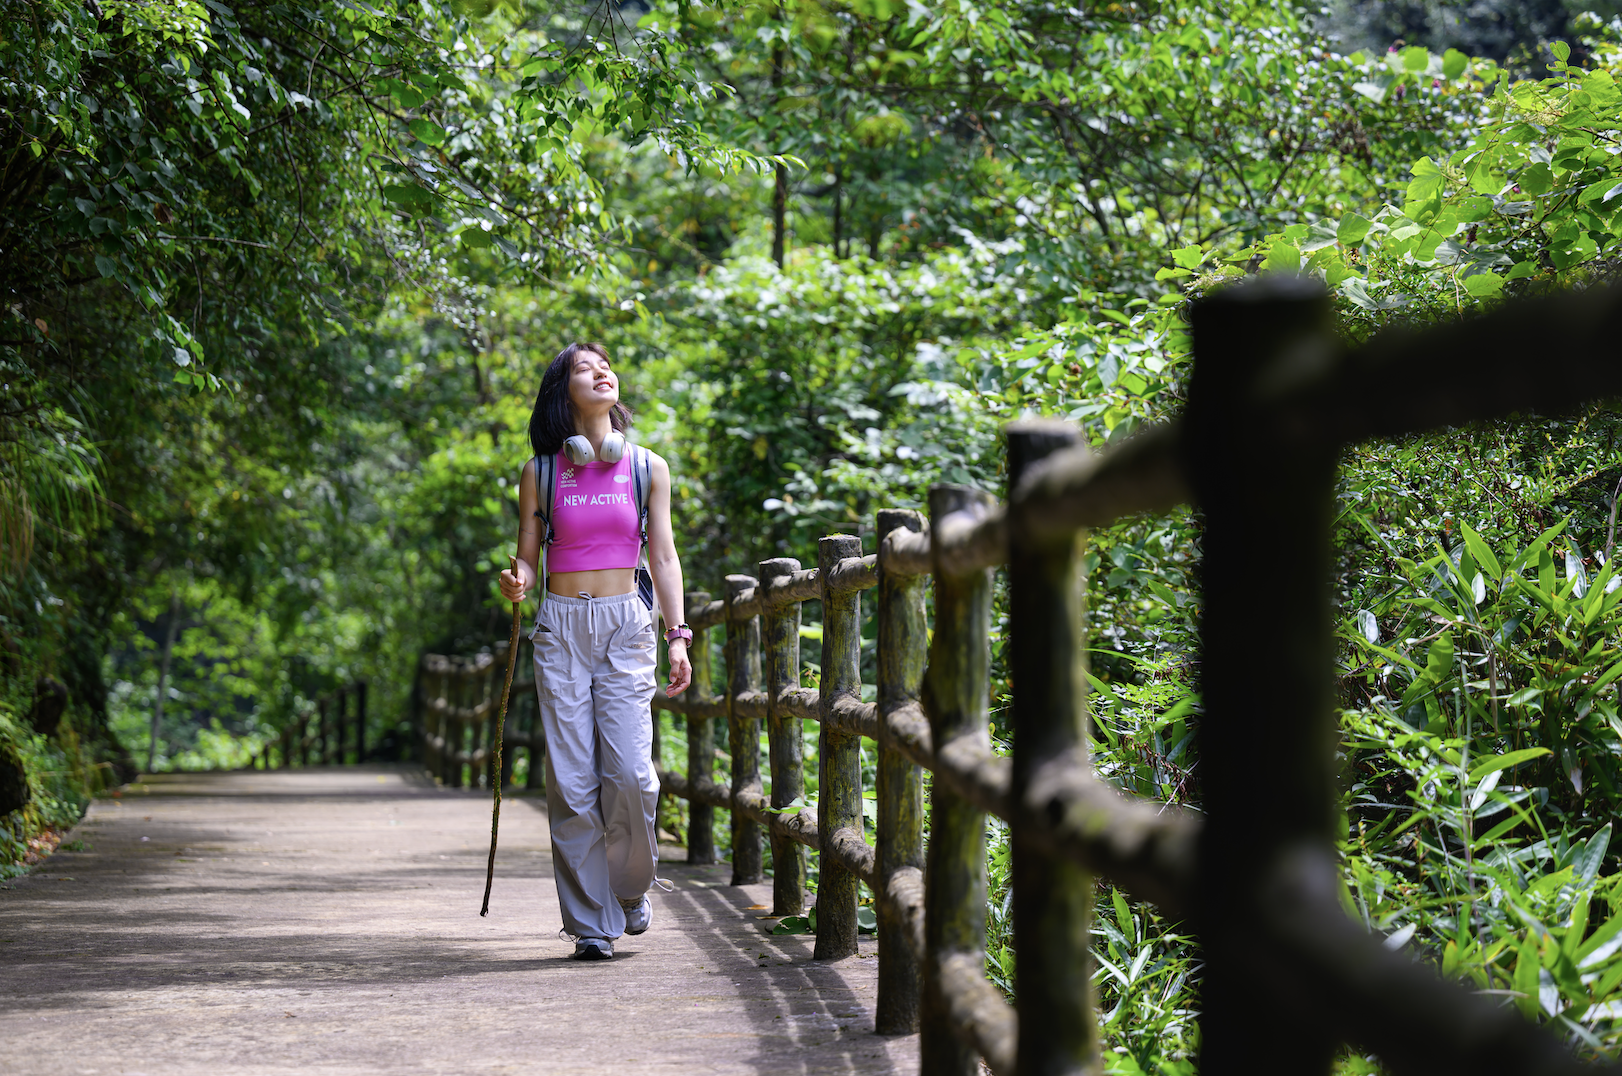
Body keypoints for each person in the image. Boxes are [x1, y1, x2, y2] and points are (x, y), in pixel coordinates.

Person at [498, 341, 693, 961]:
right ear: (564, 393)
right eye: (585, 369)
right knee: (573, 781)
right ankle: (589, 924)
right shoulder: (542, 471)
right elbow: (527, 555)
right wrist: (517, 581)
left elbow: (662, 555)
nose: (602, 372)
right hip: (560, 628)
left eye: (605, 365)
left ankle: (630, 889)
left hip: (626, 627)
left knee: (632, 774)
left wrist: (678, 635)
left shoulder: (646, 467)